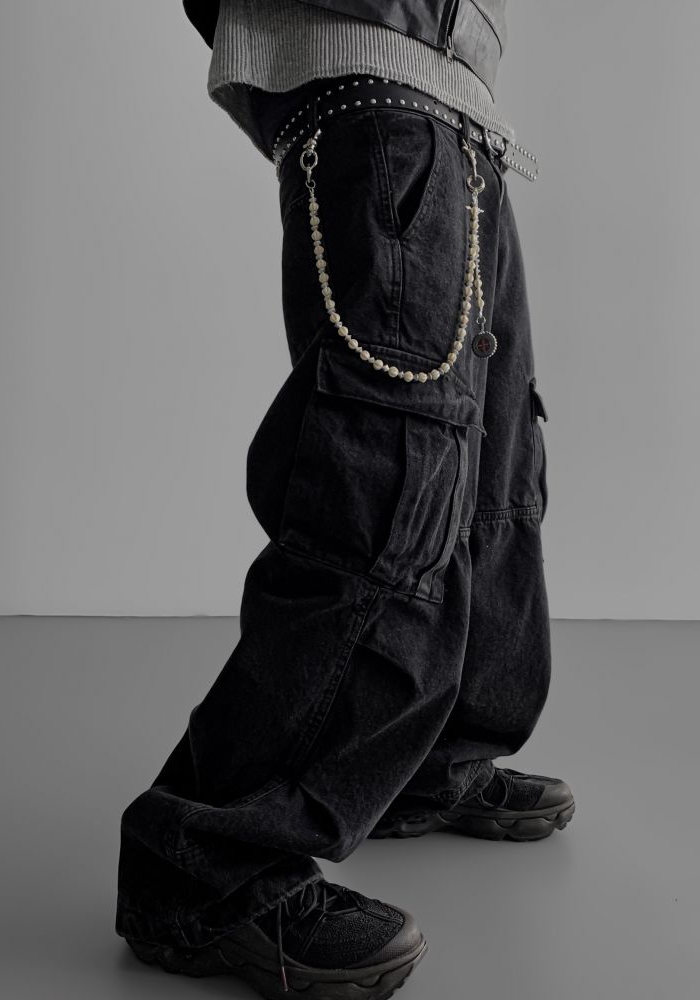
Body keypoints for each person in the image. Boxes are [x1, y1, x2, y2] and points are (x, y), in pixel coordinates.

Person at [114, 3, 575, 997]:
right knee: (384, 484)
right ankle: (203, 870)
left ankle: (423, 763)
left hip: (460, 111)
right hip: (382, 87)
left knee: (492, 470)